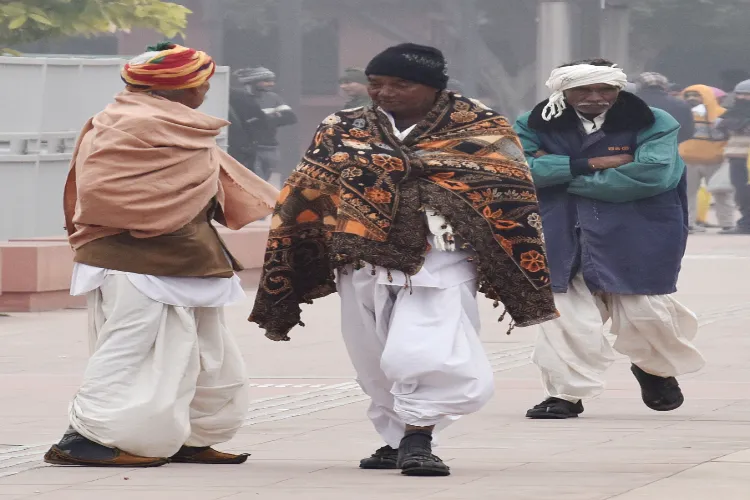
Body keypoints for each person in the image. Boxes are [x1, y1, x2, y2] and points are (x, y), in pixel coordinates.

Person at [249, 43, 558, 476]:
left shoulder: (482, 126)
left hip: (439, 262)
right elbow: (310, 187)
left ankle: (418, 437)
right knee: (372, 359)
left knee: (419, 354)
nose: (386, 93)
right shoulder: (343, 125)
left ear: (432, 88)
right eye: (377, 84)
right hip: (361, 259)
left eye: (400, 84)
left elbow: (509, 194)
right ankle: (395, 438)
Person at [44, 42, 279, 467]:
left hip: (187, 254)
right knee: (129, 352)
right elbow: (102, 197)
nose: (206, 90)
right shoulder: (121, 125)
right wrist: (158, 214)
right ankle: (83, 439)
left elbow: (207, 184)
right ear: (182, 87)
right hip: (129, 259)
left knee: (205, 354)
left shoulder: (180, 125)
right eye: (202, 82)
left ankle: (187, 436)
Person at [514, 58, 705, 420]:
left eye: (605, 89)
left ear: (619, 89)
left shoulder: (654, 121)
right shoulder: (533, 123)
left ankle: (655, 370)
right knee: (564, 314)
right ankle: (565, 394)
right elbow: (518, 170)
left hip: (637, 228)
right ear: (562, 90)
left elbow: (652, 175)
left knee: (644, 311)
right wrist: (592, 164)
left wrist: (560, 171)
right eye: (583, 89)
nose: (595, 97)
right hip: (559, 228)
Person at [680, 85, 733, 233]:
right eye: (688, 96)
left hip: (714, 159)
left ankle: (727, 223)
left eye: (696, 96)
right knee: (687, 193)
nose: (691, 99)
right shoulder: (683, 114)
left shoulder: (721, 114)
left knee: (721, 192)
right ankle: (688, 223)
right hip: (687, 159)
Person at [234, 67, 298, 180]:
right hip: (251, 149)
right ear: (253, 81)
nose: (271, 84)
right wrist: (273, 116)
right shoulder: (240, 98)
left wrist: (263, 120)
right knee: (255, 181)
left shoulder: (273, 98)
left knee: (264, 180)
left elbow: (290, 118)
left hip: (271, 147)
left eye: (272, 81)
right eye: (266, 81)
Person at [717, 79, 750, 235]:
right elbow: (720, 130)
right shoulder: (731, 114)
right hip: (736, 157)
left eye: (747, 95)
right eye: (739, 95)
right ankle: (745, 222)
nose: (742, 99)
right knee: (741, 192)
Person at [635, 72, 695, 144]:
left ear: (639, 86)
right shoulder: (681, 105)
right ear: (664, 86)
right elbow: (688, 132)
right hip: (666, 148)